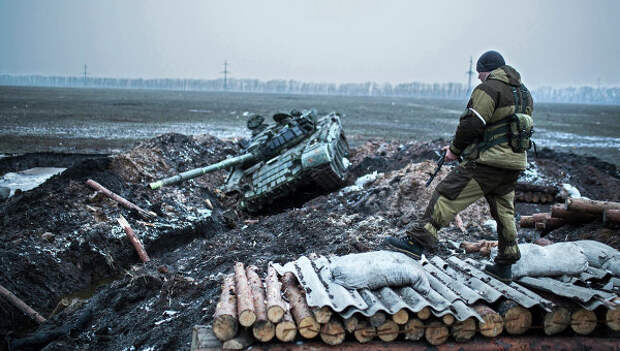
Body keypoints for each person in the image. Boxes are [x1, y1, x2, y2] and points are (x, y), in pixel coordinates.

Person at [384, 50, 534, 283]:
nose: (478, 78)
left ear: (488, 70)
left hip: (489, 163)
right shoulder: (524, 94)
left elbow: (472, 123)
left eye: (479, 73)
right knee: (504, 211)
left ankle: (417, 242)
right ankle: (506, 262)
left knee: (447, 194)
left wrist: (455, 150)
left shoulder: (488, 89)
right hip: (514, 163)